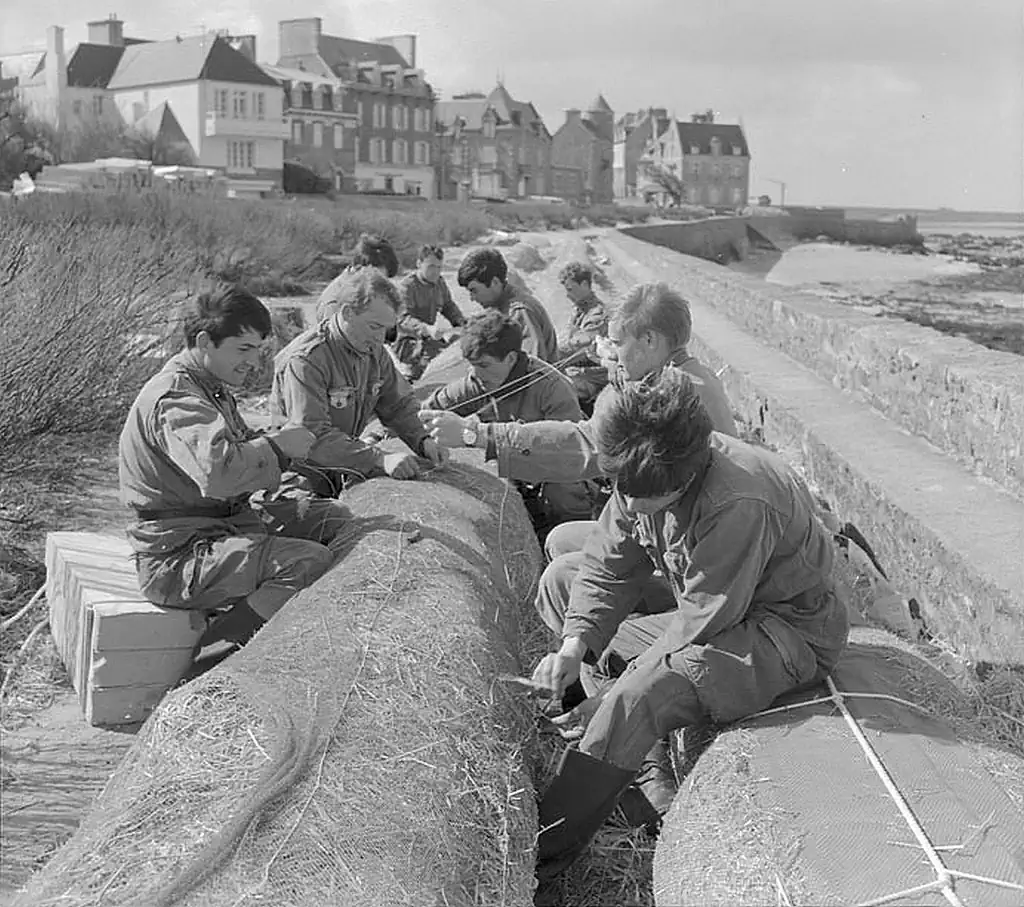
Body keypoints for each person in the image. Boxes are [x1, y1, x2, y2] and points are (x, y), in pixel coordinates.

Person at [529, 367, 849, 878]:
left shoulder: (740, 499)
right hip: (712, 605)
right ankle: (617, 745)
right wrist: (573, 648)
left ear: (684, 479)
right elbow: (609, 564)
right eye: (619, 488)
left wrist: (612, 701)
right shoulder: (645, 463)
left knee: (639, 695)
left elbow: (705, 620)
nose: (627, 504)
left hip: (781, 630)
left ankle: (546, 855)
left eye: (641, 497)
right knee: (563, 581)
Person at [422, 282, 738, 557]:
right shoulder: (684, 377)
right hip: (667, 527)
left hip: (683, 544)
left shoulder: (670, 397)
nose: (610, 355)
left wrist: (474, 434)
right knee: (563, 543)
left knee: (565, 547)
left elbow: (584, 445)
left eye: (616, 344)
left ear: (650, 341)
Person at [119, 284, 346, 649]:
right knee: (307, 561)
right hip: (179, 555)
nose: (253, 363)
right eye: (243, 350)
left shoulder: (209, 385)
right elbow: (219, 474)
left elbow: (239, 446)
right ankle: (214, 660)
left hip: (219, 524)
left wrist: (288, 448)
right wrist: (275, 447)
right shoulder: (177, 399)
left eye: (257, 351)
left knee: (330, 519)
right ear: (206, 341)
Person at [270, 267, 445, 498]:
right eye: (374, 326)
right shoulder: (307, 360)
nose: (380, 338)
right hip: (299, 478)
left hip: (340, 466)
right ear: (347, 313)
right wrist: (379, 458)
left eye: (386, 329)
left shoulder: (373, 351)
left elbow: (397, 405)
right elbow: (311, 435)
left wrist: (423, 440)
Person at [423, 310, 594, 532]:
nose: (475, 373)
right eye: (471, 364)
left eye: (484, 364)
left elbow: (569, 452)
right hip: (516, 469)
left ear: (511, 358)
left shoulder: (552, 388)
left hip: (554, 467)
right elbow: (430, 409)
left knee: (562, 488)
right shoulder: (479, 381)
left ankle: (572, 533)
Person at [456, 247, 559, 363]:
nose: (472, 298)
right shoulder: (501, 305)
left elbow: (534, 365)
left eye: (474, 290)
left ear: (495, 282)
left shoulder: (519, 311)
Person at [392, 244, 468, 382]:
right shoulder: (406, 287)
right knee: (434, 356)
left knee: (461, 346)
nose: (435, 272)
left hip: (429, 339)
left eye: (439, 267)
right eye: (431, 266)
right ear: (419, 263)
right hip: (406, 342)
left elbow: (448, 306)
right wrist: (426, 328)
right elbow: (403, 319)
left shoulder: (439, 283)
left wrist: (462, 322)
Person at [557, 261, 609, 414]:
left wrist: (550, 357)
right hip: (578, 369)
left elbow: (578, 349)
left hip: (595, 376)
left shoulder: (597, 315)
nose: (567, 295)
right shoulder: (579, 311)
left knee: (554, 387)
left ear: (585, 284)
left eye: (571, 289)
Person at [316, 233, 400, 323]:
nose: (383, 286)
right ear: (360, 268)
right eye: (378, 281)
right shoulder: (333, 303)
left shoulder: (369, 291)